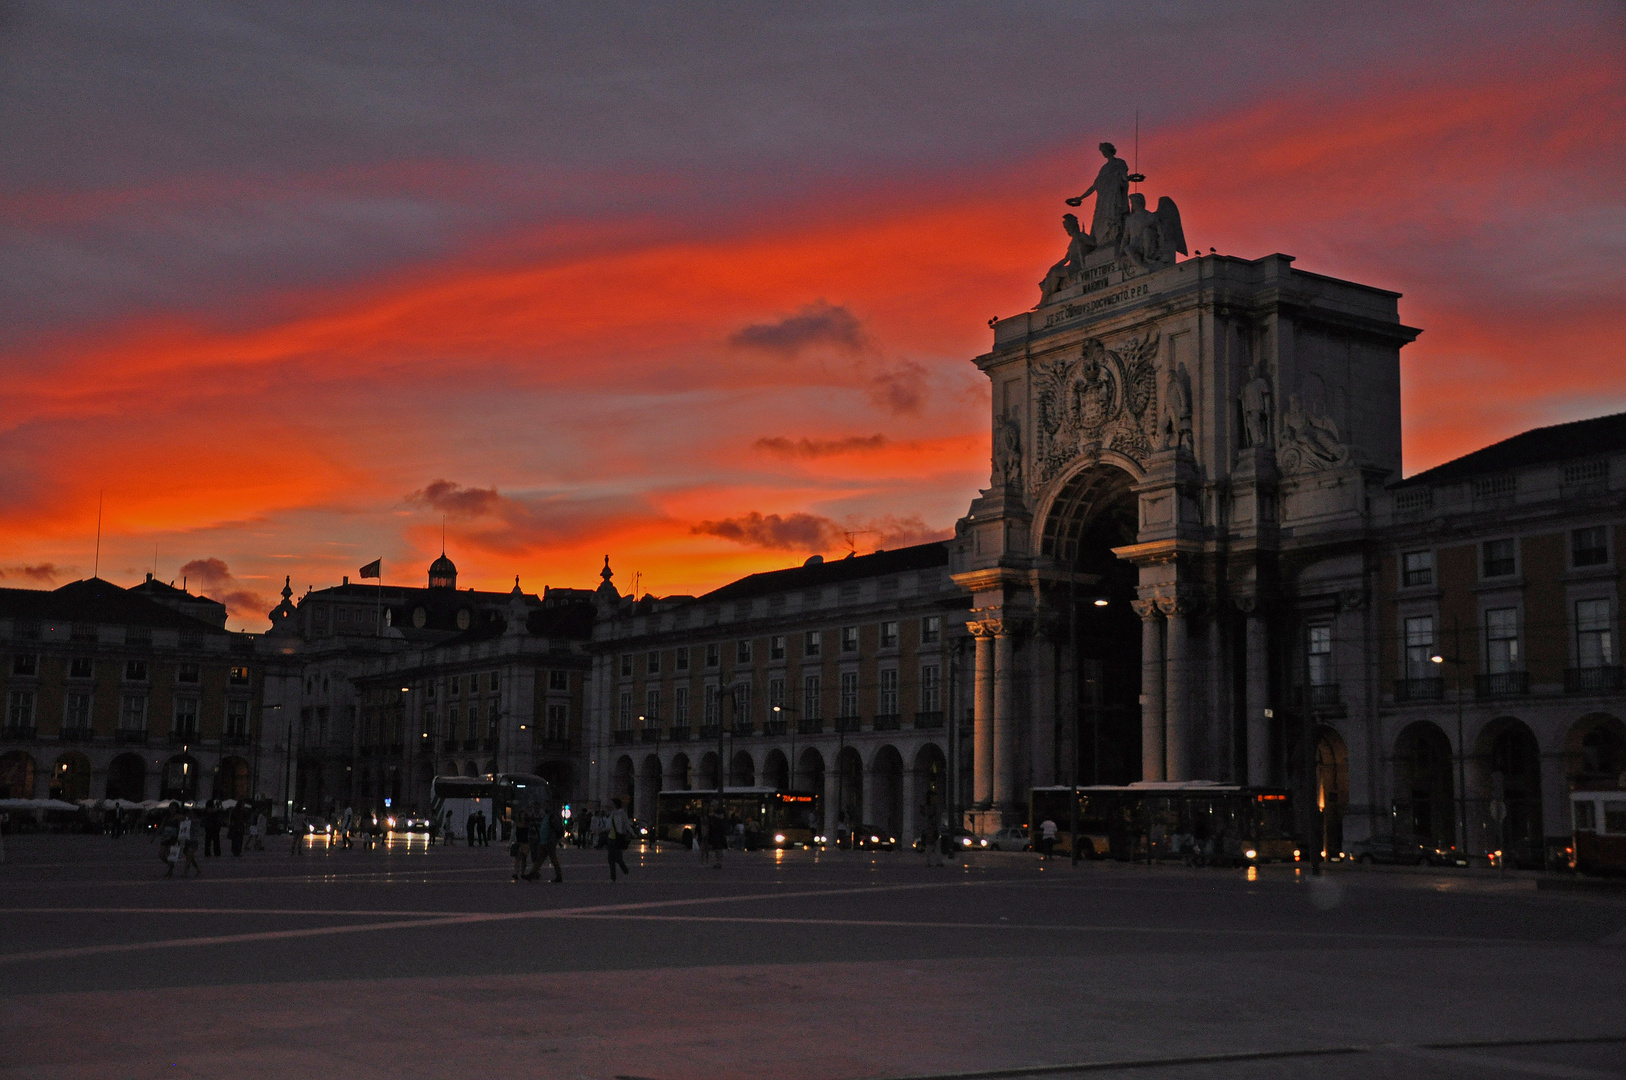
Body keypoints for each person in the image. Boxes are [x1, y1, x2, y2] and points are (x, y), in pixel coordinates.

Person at [527, 807, 564, 883]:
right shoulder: (546, 817)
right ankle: (532, 874)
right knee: (540, 859)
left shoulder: (552, 817)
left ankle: (559, 876)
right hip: (544, 841)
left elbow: (555, 829)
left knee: (552, 859)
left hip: (549, 842)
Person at [607, 798, 633, 881]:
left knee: (618, 858)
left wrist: (633, 833)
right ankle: (613, 877)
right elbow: (608, 826)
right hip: (610, 838)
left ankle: (625, 870)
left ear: (615, 805)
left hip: (618, 838)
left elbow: (627, 825)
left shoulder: (622, 814)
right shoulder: (612, 814)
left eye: (612, 804)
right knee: (610, 859)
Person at [179, 811, 202, 877]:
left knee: (189, 856)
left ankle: (185, 872)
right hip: (188, 841)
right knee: (191, 857)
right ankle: (198, 870)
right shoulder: (187, 821)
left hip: (194, 841)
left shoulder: (196, 821)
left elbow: (194, 822)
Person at [511, 813, 531, 883]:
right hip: (519, 842)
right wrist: (511, 842)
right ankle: (516, 873)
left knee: (524, 858)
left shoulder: (528, 824)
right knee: (517, 858)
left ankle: (522, 873)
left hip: (525, 842)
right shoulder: (517, 824)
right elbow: (513, 833)